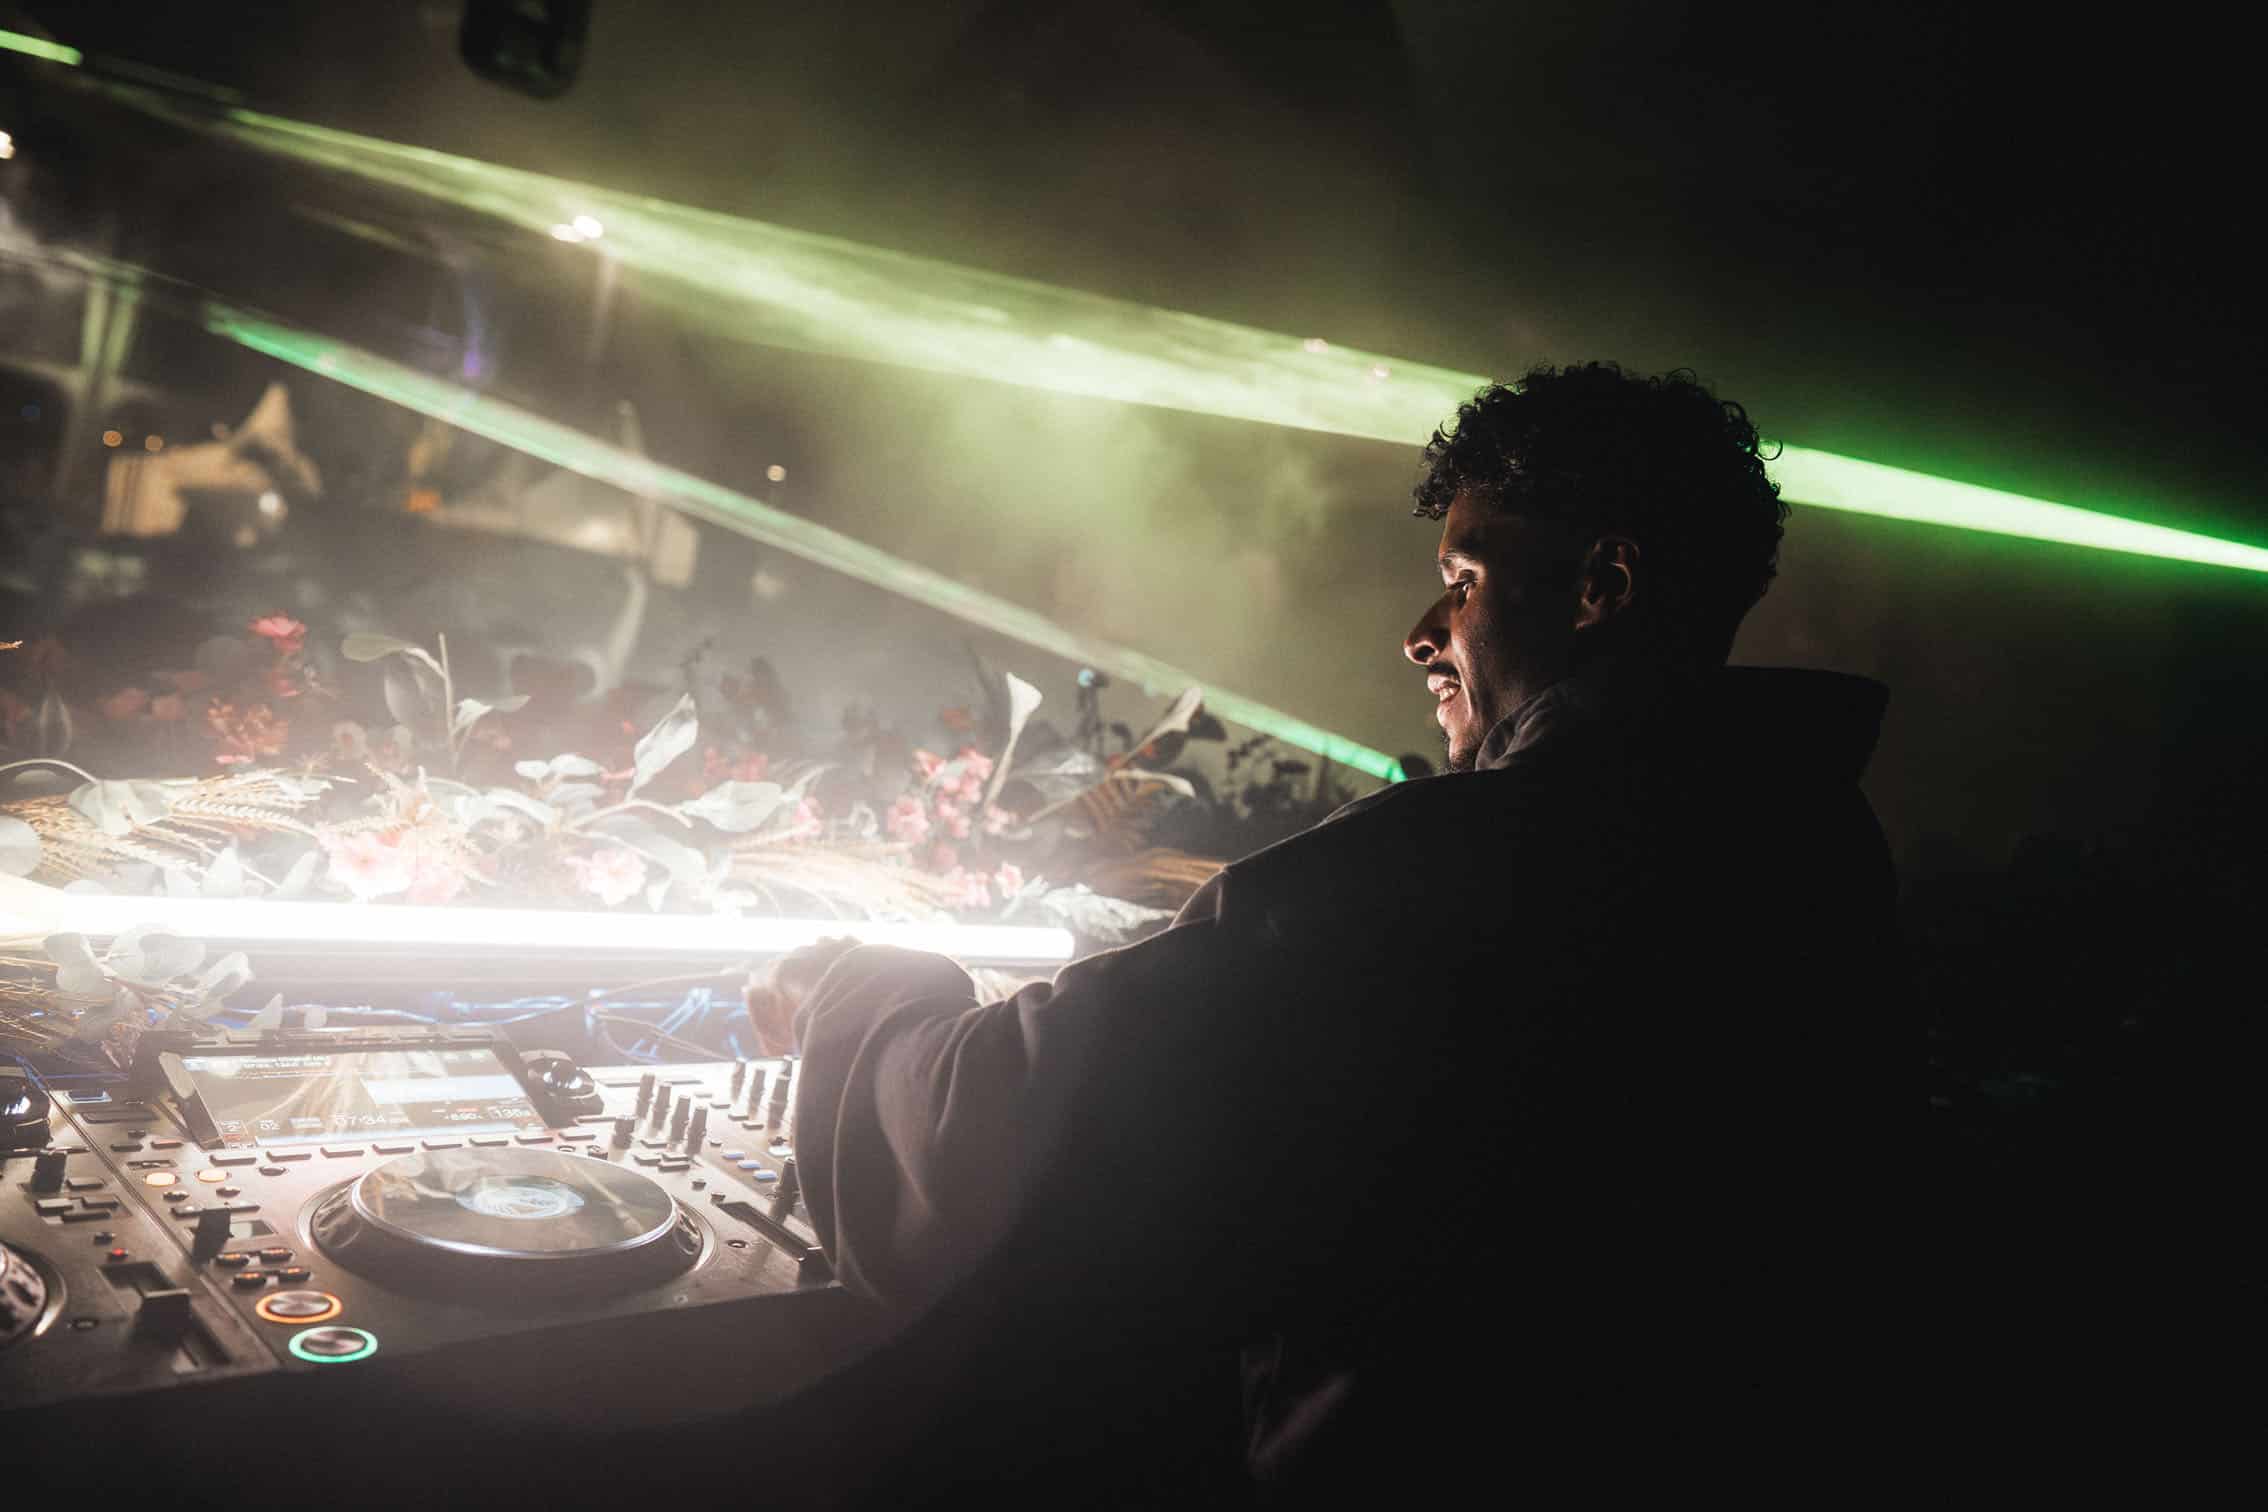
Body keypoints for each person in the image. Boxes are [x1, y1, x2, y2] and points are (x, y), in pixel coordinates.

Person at [754, 364, 1898, 1504]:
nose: (1421, 636)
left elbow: (1003, 1131)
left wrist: (858, 995)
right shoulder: (1813, 841)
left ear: (1602, 585)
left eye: (1462, 582)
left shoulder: (1456, 868)